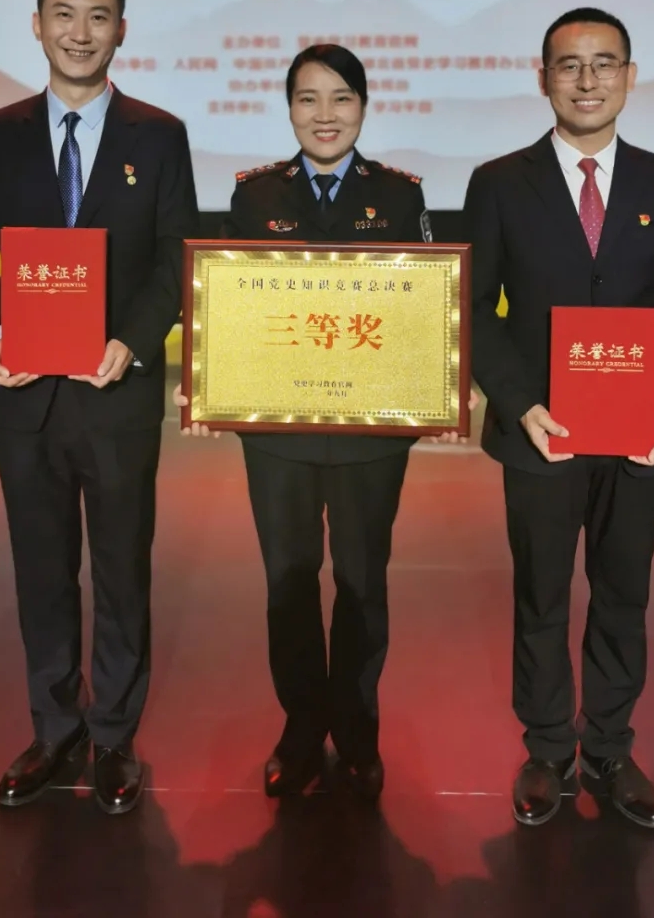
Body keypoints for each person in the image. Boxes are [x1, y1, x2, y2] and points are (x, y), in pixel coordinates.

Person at [0, 0, 198, 816]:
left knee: (122, 570)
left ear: (122, 30)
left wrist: (132, 341)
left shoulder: (158, 136)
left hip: (115, 393)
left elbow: (174, 259)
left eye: (98, 16)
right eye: (64, 13)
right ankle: (55, 728)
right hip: (25, 397)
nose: (80, 32)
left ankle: (115, 736)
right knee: (41, 572)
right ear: (37, 24)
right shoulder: (0, 133)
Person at [178, 44, 464, 801]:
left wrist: (440, 391)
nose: (325, 115)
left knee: (363, 582)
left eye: (341, 98)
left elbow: (426, 309)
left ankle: (358, 730)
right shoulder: (254, 195)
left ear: (364, 107)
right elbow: (229, 307)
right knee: (288, 580)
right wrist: (208, 384)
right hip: (279, 431)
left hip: (372, 432)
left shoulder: (399, 195)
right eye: (308, 99)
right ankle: (302, 727)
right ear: (289, 108)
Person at [463, 7, 654, 831]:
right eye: (569, 65)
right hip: (540, 432)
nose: (587, 80)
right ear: (542, 76)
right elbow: (476, 309)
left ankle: (608, 746)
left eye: (604, 63)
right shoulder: (499, 182)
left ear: (630, 76)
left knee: (622, 592)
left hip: (640, 437)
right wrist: (519, 403)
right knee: (541, 594)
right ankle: (547, 749)